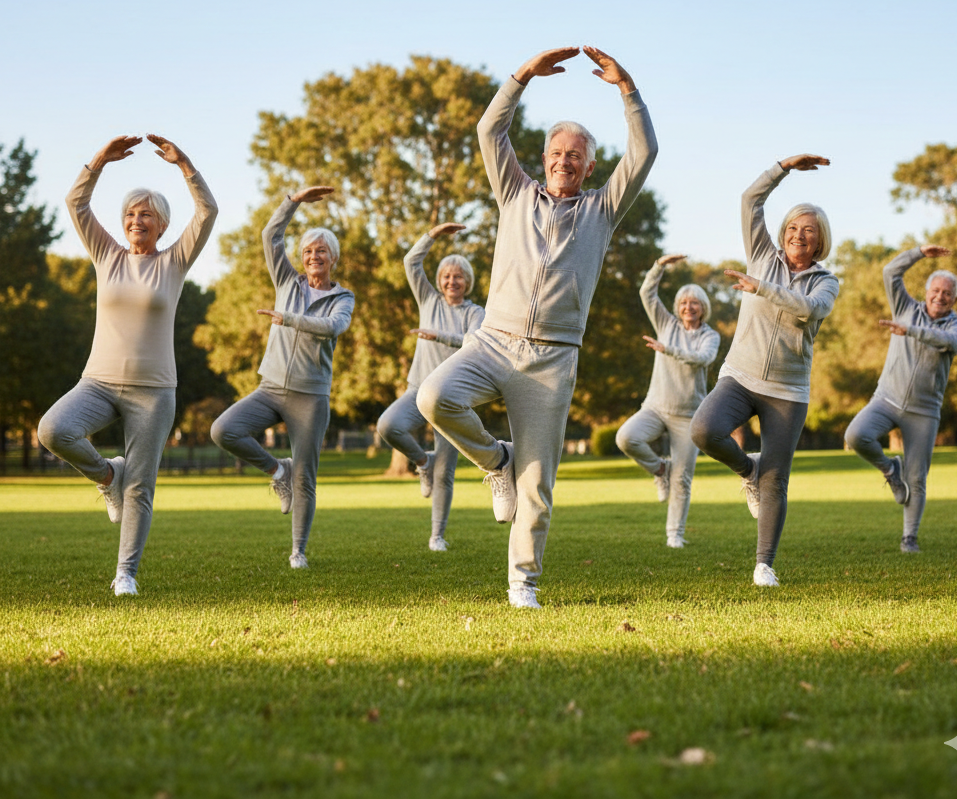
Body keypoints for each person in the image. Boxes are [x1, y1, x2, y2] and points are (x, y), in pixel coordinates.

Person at [417, 45, 658, 609]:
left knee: (538, 484)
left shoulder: (603, 210)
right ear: (543, 156)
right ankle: (493, 460)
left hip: (551, 359)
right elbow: (488, 129)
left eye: (576, 155)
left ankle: (522, 582)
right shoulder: (515, 192)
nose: (564, 161)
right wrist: (522, 76)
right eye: (556, 151)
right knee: (434, 397)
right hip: (492, 341)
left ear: (590, 166)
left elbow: (645, 151)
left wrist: (628, 89)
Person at [38, 134, 218, 596]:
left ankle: (126, 575)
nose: (137, 220)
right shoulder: (107, 256)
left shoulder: (175, 262)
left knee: (140, 487)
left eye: (146, 215)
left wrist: (186, 167)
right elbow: (76, 205)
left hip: (154, 391)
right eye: (130, 215)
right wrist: (98, 161)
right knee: (53, 430)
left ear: (161, 225)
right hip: (97, 381)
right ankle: (105, 474)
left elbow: (208, 213)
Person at [690, 155, 839, 587]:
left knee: (777, 478)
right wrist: (783, 167)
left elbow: (811, 310)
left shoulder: (825, 282)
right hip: (740, 375)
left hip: (787, 390)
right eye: (793, 227)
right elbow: (750, 199)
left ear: (819, 241)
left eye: (808, 231)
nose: (798, 235)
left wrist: (763, 288)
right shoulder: (762, 254)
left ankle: (764, 565)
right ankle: (746, 471)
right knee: (703, 431)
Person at [210, 187, 354, 570]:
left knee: (307, 477)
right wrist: (293, 201)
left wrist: (288, 318)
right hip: (270, 387)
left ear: (333, 258)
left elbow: (332, 328)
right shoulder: (287, 283)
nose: (312, 256)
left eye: (320, 251)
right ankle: (277, 470)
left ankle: (298, 552)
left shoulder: (343, 298)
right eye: (307, 251)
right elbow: (269, 237)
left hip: (310, 397)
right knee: (223, 431)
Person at [843, 246, 957, 553]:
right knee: (856, 435)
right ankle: (889, 470)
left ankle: (909, 537)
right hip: (886, 398)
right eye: (936, 290)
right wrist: (919, 253)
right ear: (926, 292)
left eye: (947, 293)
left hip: (924, 412)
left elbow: (949, 342)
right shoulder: (904, 306)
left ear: (954, 299)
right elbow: (890, 272)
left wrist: (912, 331)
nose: (940, 296)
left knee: (917, 477)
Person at [377, 223, 485, 551]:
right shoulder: (429, 301)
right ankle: (423, 462)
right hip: (417, 388)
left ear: (467, 282)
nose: (452, 281)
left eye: (459, 276)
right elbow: (411, 261)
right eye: (446, 276)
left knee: (447, 472)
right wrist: (433, 234)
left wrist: (440, 336)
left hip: (452, 398)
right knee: (388, 426)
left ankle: (437, 535)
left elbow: (474, 344)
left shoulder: (475, 312)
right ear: (439, 281)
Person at [616, 255, 719, 548]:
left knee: (683, 479)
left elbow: (703, 358)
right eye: (684, 303)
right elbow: (646, 293)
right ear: (677, 308)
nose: (688, 307)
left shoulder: (709, 336)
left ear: (702, 309)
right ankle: (660, 469)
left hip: (688, 415)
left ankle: (675, 535)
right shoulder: (666, 323)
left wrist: (668, 349)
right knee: (626, 438)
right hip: (656, 406)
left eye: (694, 303)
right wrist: (659, 265)